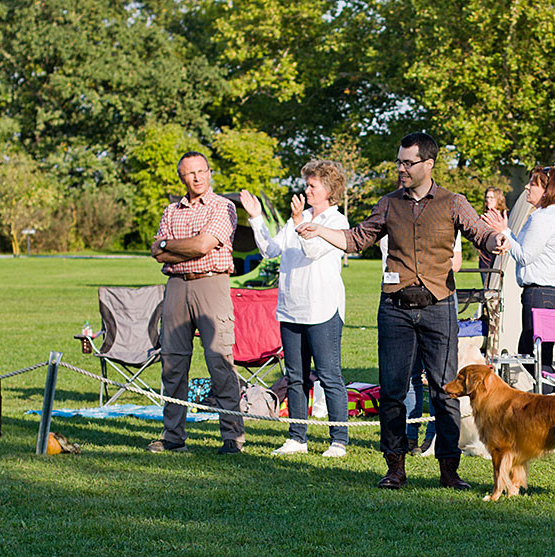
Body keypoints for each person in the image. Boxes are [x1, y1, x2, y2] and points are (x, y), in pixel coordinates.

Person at [298, 132, 507, 490]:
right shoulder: (388, 203)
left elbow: (479, 234)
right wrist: (320, 231)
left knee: (445, 391)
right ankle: (395, 467)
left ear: (428, 164)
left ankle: (449, 471)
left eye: (408, 163)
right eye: (399, 162)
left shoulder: (453, 202)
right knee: (393, 391)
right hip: (395, 308)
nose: (401, 169)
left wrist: (496, 238)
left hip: (439, 307)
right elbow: (357, 239)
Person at [239, 159, 350, 458]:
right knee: (296, 376)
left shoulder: (337, 223)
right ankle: (297, 437)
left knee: (329, 375)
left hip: (322, 309)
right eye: (307, 184)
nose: (307, 189)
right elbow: (270, 250)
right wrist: (256, 218)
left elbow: (312, 251)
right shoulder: (296, 218)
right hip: (290, 308)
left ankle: (339, 440)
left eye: (312, 185)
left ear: (328, 189)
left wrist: (300, 219)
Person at [148, 151, 244, 454]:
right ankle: (173, 436)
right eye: (190, 173)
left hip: (211, 283)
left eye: (202, 171)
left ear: (210, 172)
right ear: (182, 177)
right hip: (176, 287)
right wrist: (178, 248)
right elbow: (157, 252)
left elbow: (204, 245)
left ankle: (232, 437)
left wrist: (170, 246)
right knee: (173, 364)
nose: (198, 177)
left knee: (219, 362)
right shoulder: (170, 211)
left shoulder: (223, 207)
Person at [379, 233, 462, 455]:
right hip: (399, 302)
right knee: (410, 375)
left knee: (438, 379)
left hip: (436, 300)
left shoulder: (446, 215)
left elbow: (458, 262)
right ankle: (410, 435)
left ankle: (434, 437)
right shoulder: (392, 213)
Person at [483, 166, 555, 372]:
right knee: (541, 356)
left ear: (546, 190)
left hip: (542, 294)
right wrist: (506, 232)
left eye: (532, 183)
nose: (526, 186)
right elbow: (525, 249)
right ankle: (554, 399)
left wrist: (503, 231)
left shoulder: (542, 218)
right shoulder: (550, 215)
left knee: (533, 357)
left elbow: (525, 256)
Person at [476, 187, 507, 275]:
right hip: (485, 260)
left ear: (498, 199)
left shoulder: (505, 217)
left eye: (491, 198)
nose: (488, 200)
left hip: (500, 259)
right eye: (487, 197)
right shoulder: (482, 218)